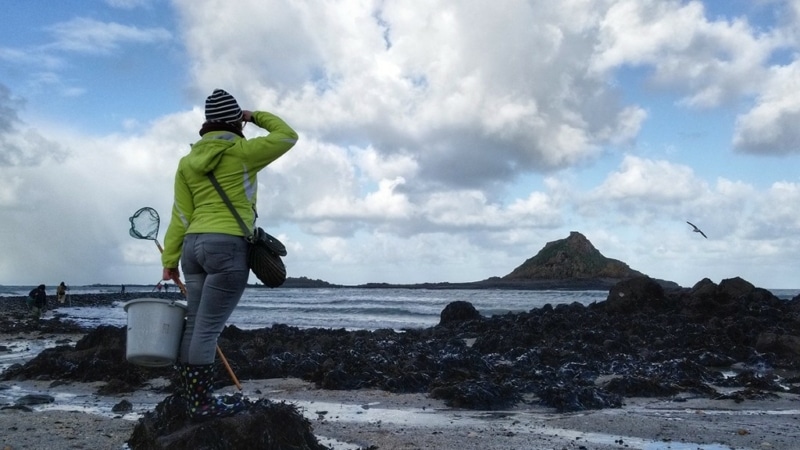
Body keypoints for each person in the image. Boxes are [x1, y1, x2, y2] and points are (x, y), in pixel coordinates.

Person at [161, 88, 298, 421]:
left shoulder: (186, 162)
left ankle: (191, 398)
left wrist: (169, 261)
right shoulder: (244, 151)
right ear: (236, 121)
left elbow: (180, 214)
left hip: (193, 248)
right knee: (207, 331)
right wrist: (254, 116)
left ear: (206, 124)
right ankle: (202, 404)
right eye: (240, 119)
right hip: (227, 246)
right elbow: (287, 135)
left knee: (195, 326)